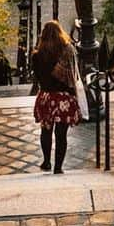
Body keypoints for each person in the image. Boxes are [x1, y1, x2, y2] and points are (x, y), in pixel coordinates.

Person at [31, 20, 82, 173]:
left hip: (46, 98)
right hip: (63, 99)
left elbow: (39, 78)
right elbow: (73, 77)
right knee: (61, 135)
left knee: (46, 131)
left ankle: (46, 162)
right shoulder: (67, 51)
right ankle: (58, 167)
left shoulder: (37, 56)